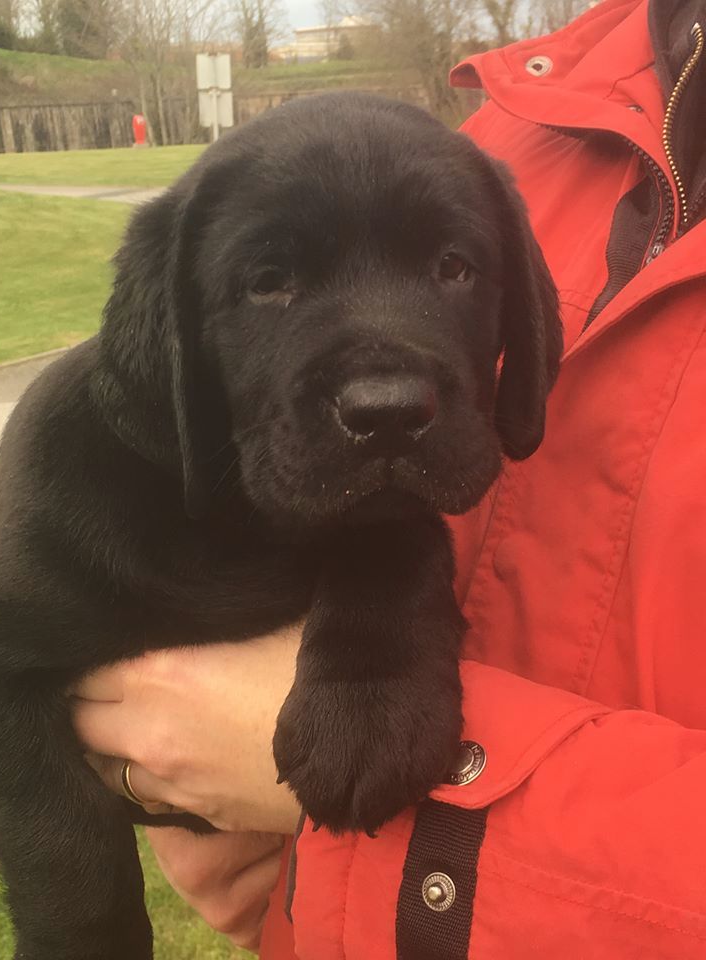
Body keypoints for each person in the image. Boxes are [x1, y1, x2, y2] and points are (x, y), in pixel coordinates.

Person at [70, 0, 706, 955]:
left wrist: (438, 821)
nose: (382, 380)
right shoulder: (526, 123)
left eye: (451, 267)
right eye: (271, 280)